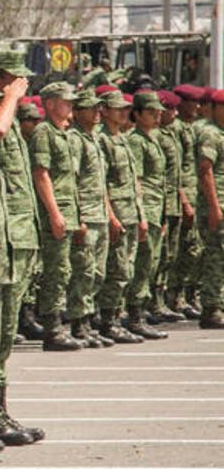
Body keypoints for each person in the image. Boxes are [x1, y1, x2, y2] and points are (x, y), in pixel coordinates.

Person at [0, 51, 45, 442]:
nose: (23, 87)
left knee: (3, 335)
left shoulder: (10, 116)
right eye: (15, 80)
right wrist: (7, 98)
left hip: (17, 239)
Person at [30, 82, 84, 351]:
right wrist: (54, 213)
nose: (70, 105)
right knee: (55, 271)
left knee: (65, 270)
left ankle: (59, 324)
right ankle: (52, 329)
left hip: (69, 210)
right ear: (50, 103)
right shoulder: (44, 132)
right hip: (56, 212)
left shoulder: (65, 134)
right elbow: (41, 174)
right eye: (65, 101)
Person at [96, 90, 148, 343]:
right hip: (116, 211)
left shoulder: (123, 138)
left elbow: (134, 180)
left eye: (125, 108)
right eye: (117, 108)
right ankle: (108, 321)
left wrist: (141, 215)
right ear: (104, 110)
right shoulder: (102, 139)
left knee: (126, 269)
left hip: (130, 212)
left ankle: (116, 316)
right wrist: (111, 216)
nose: (123, 112)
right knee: (115, 271)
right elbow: (101, 183)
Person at [66, 89, 114, 349]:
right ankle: (78, 322)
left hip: (100, 213)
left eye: (99, 108)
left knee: (97, 271)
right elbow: (71, 180)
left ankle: (89, 319)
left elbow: (100, 182)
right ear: (77, 111)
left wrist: (109, 214)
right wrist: (78, 216)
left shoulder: (93, 138)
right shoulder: (74, 139)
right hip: (86, 212)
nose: (98, 113)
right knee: (83, 272)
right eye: (91, 108)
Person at [123, 92, 169, 340]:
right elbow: (137, 181)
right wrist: (141, 214)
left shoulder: (152, 139)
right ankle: (134, 315)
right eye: (151, 112)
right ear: (138, 114)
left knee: (151, 262)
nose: (157, 116)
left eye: (158, 112)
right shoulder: (136, 141)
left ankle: (139, 311)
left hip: (156, 207)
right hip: (146, 208)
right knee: (141, 264)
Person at [150, 90, 187, 324]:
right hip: (154, 205)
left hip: (168, 203)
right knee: (153, 257)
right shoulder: (152, 138)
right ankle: (150, 304)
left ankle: (160, 300)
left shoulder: (166, 135)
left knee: (167, 255)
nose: (170, 114)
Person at [169, 84, 205, 318]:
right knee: (179, 250)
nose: (197, 106)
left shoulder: (196, 128)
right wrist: (184, 200)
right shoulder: (176, 130)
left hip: (197, 193)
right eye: (192, 102)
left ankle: (191, 292)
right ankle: (175, 295)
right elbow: (177, 170)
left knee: (196, 248)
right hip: (183, 196)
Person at [197, 89, 224, 329]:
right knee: (215, 256)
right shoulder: (210, 134)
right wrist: (214, 208)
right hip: (217, 206)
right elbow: (205, 171)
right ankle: (211, 308)